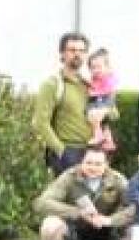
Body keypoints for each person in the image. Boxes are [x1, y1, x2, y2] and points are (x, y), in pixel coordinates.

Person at [34, 146, 132, 240]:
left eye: (98, 164)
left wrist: (110, 220)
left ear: (106, 164)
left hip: (107, 228)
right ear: (81, 162)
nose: (93, 167)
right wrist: (77, 213)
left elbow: (135, 206)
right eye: (88, 163)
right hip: (74, 228)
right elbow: (42, 202)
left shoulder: (117, 179)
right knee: (50, 226)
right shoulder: (69, 177)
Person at [33, 32, 97, 177]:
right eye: (72, 50)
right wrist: (61, 150)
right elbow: (40, 122)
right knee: (66, 199)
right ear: (62, 54)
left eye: (82, 51)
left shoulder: (89, 85)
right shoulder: (52, 84)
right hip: (67, 152)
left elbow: (111, 113)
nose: (77, 54)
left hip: (91, 152)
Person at [85, 48, 118, 153]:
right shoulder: (94, 79)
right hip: (99, 101)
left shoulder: (109, 78)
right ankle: (109, 141)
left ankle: (98, 135)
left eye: (99, 67)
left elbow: (107, 91)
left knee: (93, 114)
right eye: (93, 68)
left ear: (107, 67)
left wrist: (92, 93)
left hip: (104, 102)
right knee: (104, 124)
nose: (96, 70)